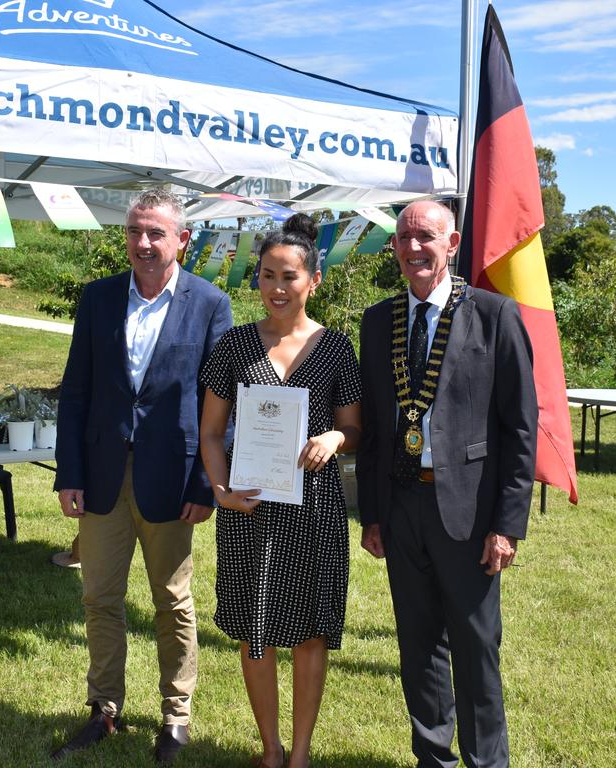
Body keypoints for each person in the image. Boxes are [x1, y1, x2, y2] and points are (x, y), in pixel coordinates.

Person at [51, 188, 233, 763]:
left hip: (173, 480)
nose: (144, 243)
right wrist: (68, 473)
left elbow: (219, 403)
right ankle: (104, 709)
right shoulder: (98, 299)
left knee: (171, 603)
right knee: (100, 598)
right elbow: (75, 392)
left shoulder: (209, 303)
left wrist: (207, 484)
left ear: (183, 239)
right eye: (135, 232)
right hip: (102, 475)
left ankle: (176, 716)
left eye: (156, 233)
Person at [356, 200, 537, 768]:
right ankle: (433, 756)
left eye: (426, 238)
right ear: (393, 248)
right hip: (403, 506)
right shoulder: (377, 321)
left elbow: (520, 429)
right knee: (418, 644)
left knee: (476, 646)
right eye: (404, 238)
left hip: (469, 512)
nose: (414, 249)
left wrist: (507, 526)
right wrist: (372, 514)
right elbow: (377, 426)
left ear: (452, 243)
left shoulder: (496, 315)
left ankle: (488, 761)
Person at [199, 214, 362, 768]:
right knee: (256, 629)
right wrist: (220, 489)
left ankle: (301, 755)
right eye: (267, 274)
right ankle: (269, 750)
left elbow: (356, 428)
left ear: (313, 280)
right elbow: (211, 431)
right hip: (249, 507)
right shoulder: (234, 346)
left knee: (311, 632)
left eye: (288, 276)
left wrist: (336, 436)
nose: (275, 287)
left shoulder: (337, 348)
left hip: (314, 510)